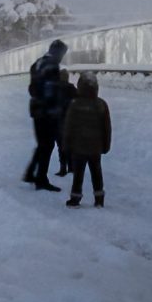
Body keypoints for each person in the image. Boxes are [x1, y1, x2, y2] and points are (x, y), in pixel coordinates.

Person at [22, 39, 67, 191]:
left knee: (42, 144)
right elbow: (51, 90)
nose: (62, 57)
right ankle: (41, 179)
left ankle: (30, 173)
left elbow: (32, 87)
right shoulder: (52, 65)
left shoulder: (37, 63)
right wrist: (55, 109)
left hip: (35, 108)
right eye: (62, 54)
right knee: (47, 145)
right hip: (46, 111)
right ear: (58, 52)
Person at [63, 72, 112, 207]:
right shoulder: (101, 104)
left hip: (78, 147)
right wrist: (106, 145)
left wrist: (66, 145)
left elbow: (69, 126)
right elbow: (106, 128)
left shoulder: (74, 104)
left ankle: (75, 198)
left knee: (78, 174)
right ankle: (99, 198)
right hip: (96, 147)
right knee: (96, 173)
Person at [54, 69, 78, 176]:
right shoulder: (73, 89)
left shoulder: (55, 89)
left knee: (61, 146)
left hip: (58, 122)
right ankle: (71, 167)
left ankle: (63, 168)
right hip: (71, 122)